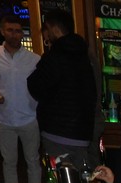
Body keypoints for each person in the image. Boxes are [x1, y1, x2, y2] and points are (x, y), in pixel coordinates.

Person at [0, 14, 41, 183]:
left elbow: (41, 87)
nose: (14, 34)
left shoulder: (34, 59)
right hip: (3, 118)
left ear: (23, 33)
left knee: (33, 161)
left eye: (18, 31)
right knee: (9, 162)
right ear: (2, 31)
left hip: (29, 117)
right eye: (10, 30)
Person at [27, 10, 96, 169]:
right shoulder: (86, 55)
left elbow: (36, 86)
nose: (45, 35)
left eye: (45, 30)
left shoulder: (55, 56)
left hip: (57, 130)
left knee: (60, 179)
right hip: (82, 131)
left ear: (53, 28)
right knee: (79, 178)